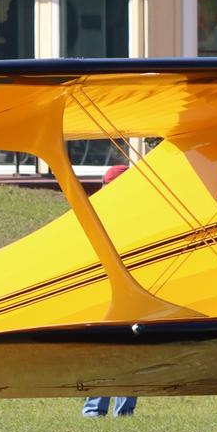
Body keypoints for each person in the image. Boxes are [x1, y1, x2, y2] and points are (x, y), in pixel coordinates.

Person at [83, 161, 137, 418]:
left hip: (124, 293)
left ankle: (109, 411)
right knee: (111, 352)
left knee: (117, 352)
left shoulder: (106, 215)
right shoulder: (100, 215)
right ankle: (101, 410)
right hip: (107, 292)